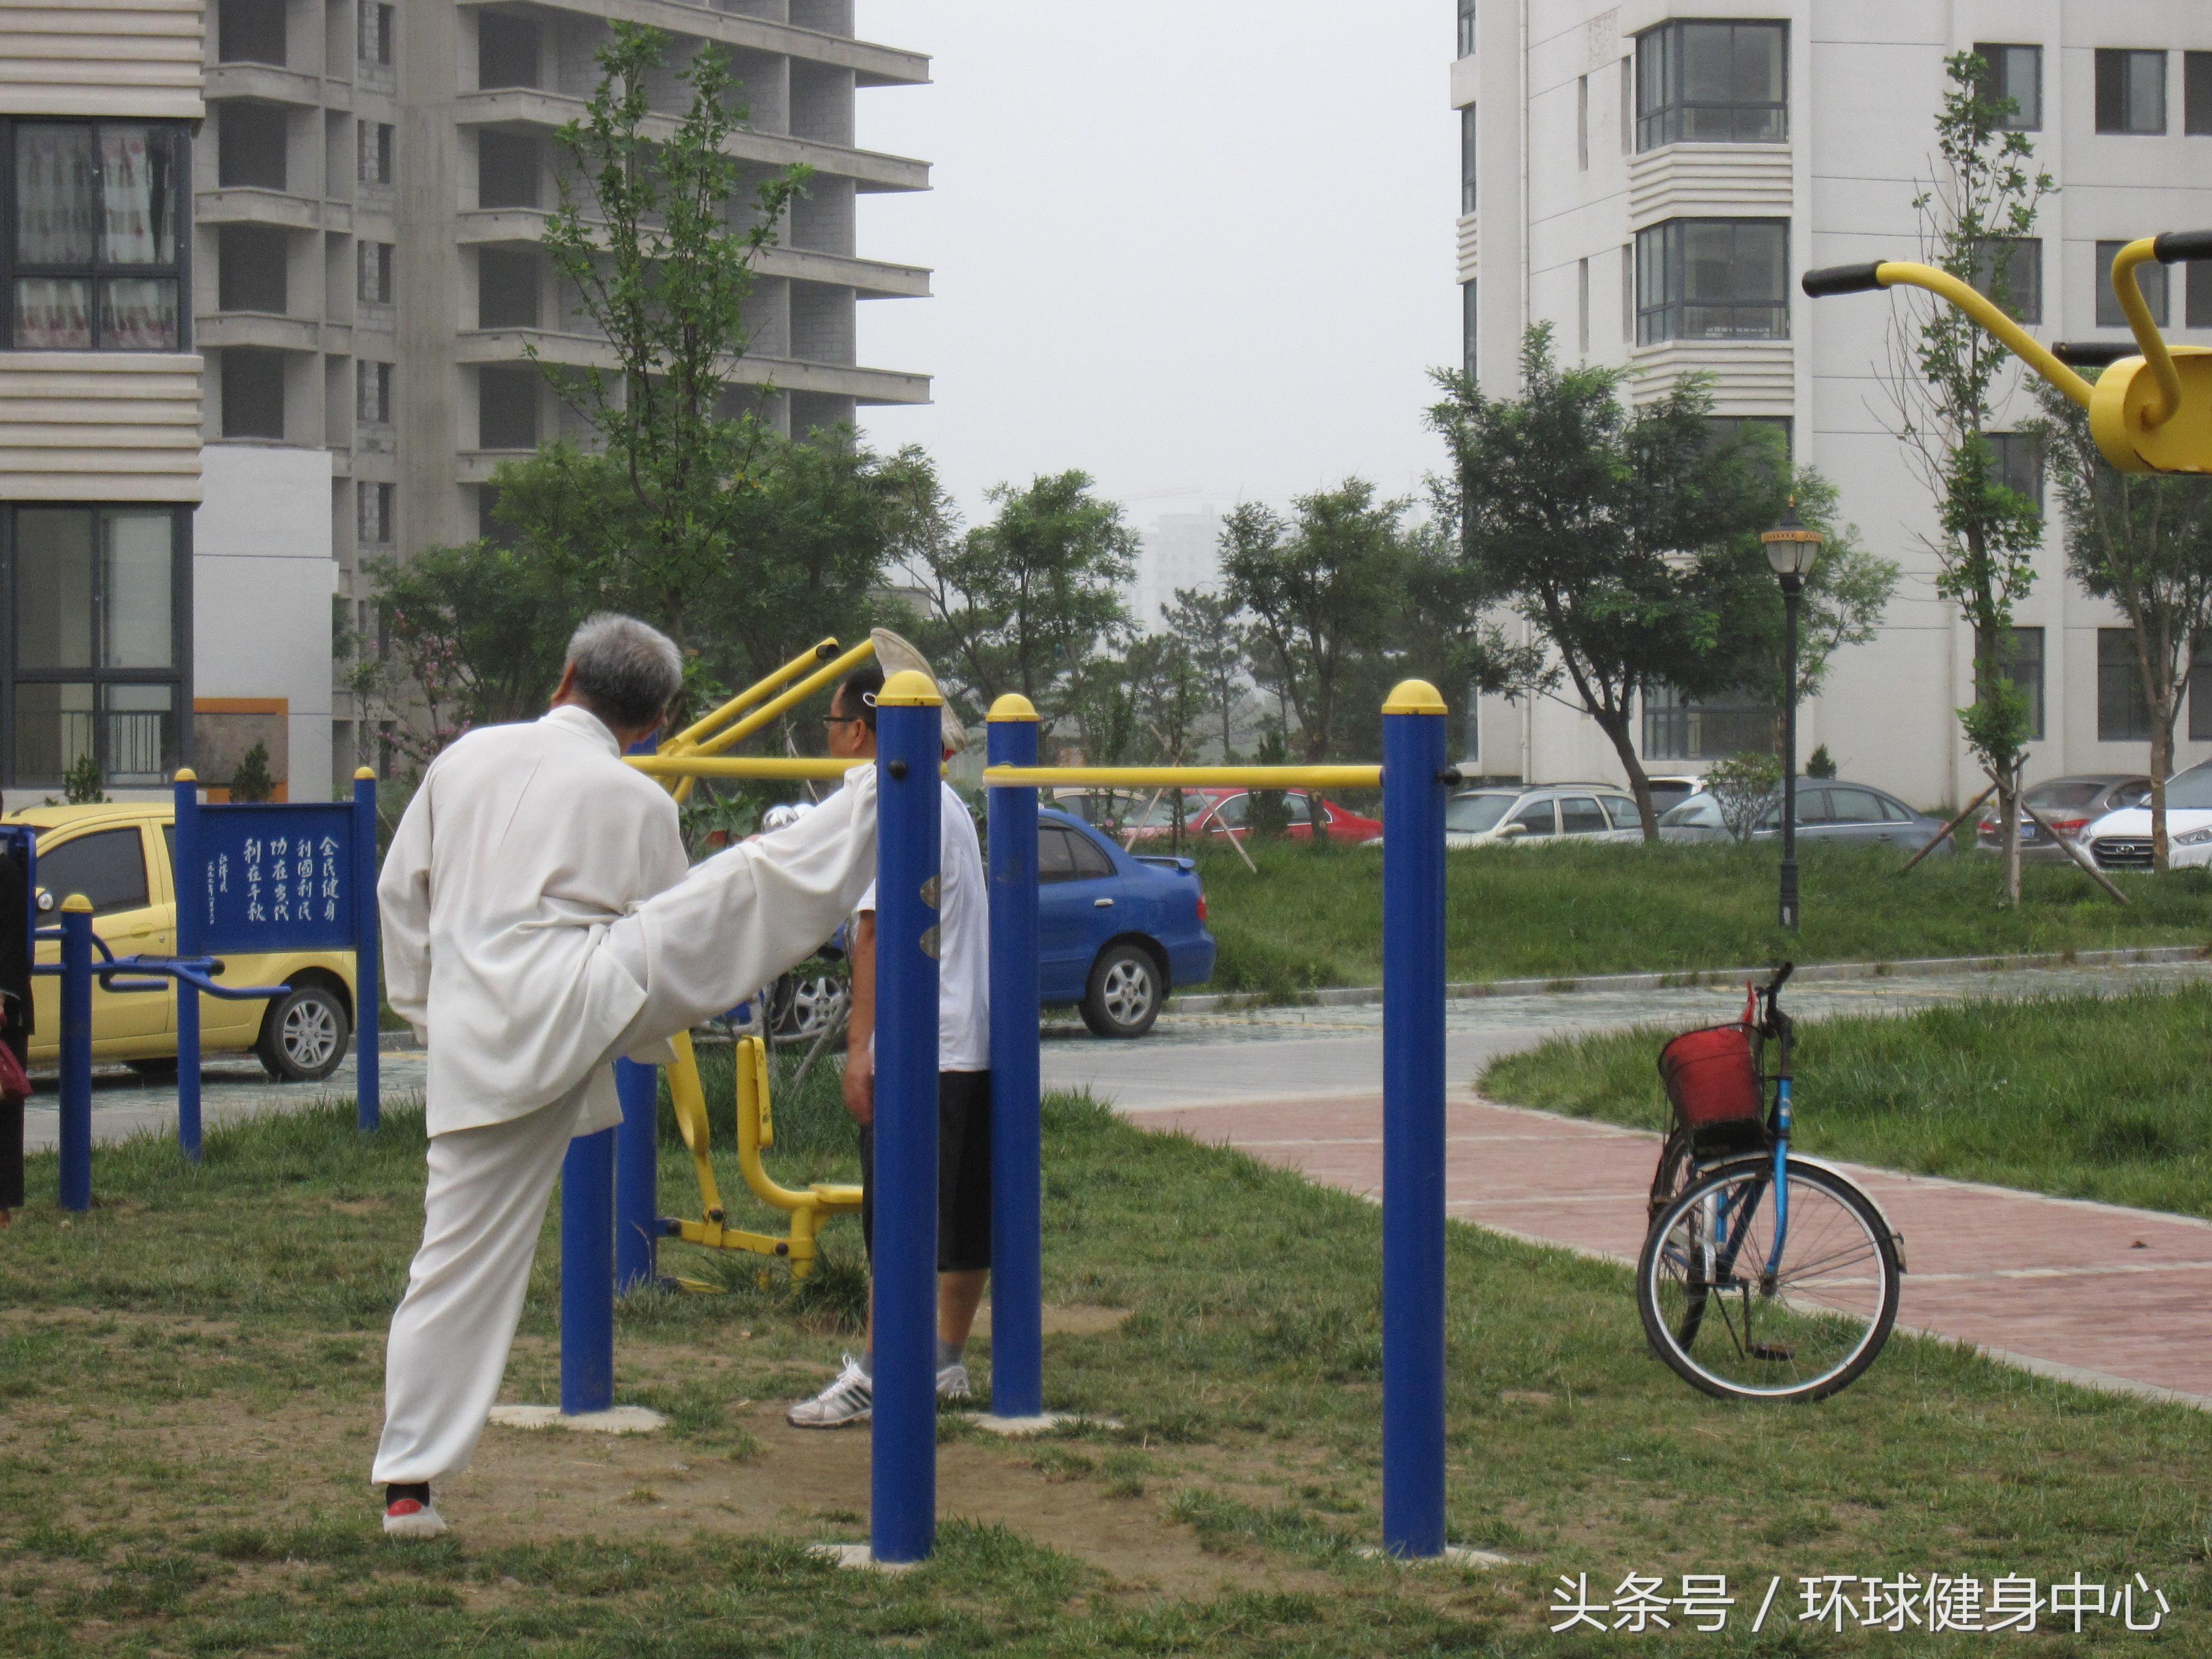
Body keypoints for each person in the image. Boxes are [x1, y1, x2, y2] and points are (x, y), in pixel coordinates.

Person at [373, 614, 880, 1537]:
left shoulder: (462, 759)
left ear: (565, 675)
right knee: (739, 888)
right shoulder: (637, 799)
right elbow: (673, 914)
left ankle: (409, 1484)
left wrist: (430, 1012)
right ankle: (876, 801)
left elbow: (398, 894)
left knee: (451, 1263)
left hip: (475, 1031)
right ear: (655, 723)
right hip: (585, 998)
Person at [788, 661, 990, 1427]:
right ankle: (944, 1362)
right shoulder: (946, 800)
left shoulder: (894, 802)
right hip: (967, 1038)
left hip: (920, 1046)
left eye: (833, 724)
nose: (830, 738)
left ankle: (878, 1373)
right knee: (961, 1219)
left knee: (898, 1219)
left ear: (861, 732)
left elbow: (873, 936)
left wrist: (860, 1050)